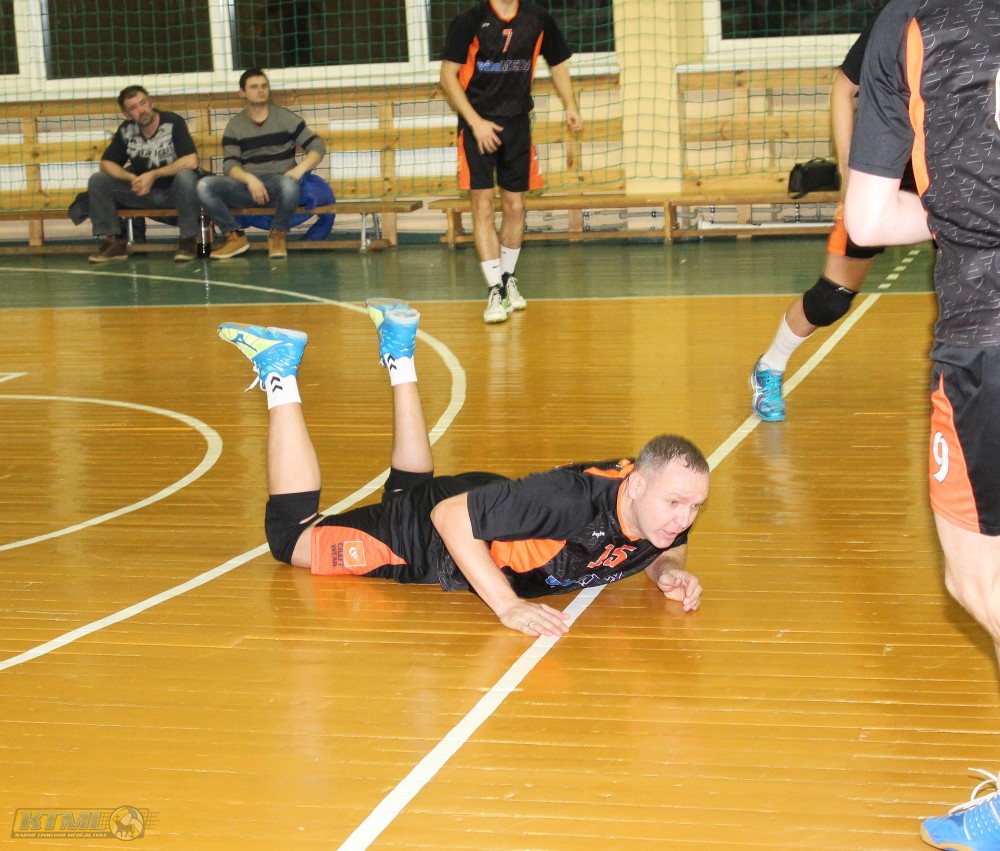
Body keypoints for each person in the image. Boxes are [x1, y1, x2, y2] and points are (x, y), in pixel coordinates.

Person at [217, 302, 708, 635]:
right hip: (434, 538)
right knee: (290, 538)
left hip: (494, 507)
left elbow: (670, 541)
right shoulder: (569, 502)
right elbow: (449, 517)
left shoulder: (660, 503)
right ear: (636, 484)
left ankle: (399, 351)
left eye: (693, 507)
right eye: (675, 504)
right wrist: (507, 605)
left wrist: (669, 570)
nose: (682, 518)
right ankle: (279, 371)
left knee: (409, 493)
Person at [843, 0, 1000, 847]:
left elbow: (868, 221)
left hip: (988, 334)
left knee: (982, 581)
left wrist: (954, 214)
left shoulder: (907, 21)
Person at [749, 15, 916, 421]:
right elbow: (844, 87)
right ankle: (770, 366)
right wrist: (847, 170)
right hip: (885, 167)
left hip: (950, 169)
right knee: (832, 299)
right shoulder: (898, 18)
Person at [439, 0, 584, 324]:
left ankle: (507, 280)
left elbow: (558, 65)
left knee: (516, 206)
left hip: (517, 124)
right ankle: (494, 290)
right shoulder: (470, 20)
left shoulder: (538, 19)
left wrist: (571, 106)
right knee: (482, 205)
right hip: (477, 124)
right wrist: (475, 123)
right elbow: (448, 76)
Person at [196, 68, 326, 260]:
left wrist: (298, 171)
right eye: (254, 87)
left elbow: (317, 147)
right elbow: (229, 165)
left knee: (290, 184)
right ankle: (234, 236)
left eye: (264, 86)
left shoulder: (286, 118)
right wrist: (249, 179)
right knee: (204, 186)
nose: (260, 90)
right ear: (242, 93)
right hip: (246, 188)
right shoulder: (235, 125)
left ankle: (278, 234)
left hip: (280, 186)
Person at [86, 85, 201, 264]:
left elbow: (191, 161)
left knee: (186, 177)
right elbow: (106, 164)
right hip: (141, 192)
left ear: (151, 102)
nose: (141, 110)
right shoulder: (126, 130)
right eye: (134, 108)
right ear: (127, 114)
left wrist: (153, 175)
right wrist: (132, 178)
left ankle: (188, 240)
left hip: (173, 192)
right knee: (98, 180)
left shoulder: (173, 122)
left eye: (143, 103)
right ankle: (115, 241)